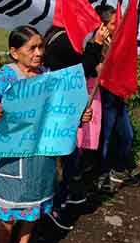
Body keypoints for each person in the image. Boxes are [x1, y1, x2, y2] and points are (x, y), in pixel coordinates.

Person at [0, 26, 91, 243]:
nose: (39, 53)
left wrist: (79, 114)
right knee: (8, 211)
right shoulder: (4, 76)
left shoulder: (48, 76)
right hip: (12, 157)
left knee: (34, 206)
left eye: (41, 46)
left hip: (41, 157)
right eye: (32, 48)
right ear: (14, 52)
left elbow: (62, 110)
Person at [43, 18, 109, 230]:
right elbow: (83, 67)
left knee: (70, 156)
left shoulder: (62, 37)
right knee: (58, 162)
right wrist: (96, 44)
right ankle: (52, 207)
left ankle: (67, 195)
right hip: (57, 113)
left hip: (66, 111)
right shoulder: (63, 40)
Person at [93, 5, 139, 192]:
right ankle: (101, 175)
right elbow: (96, 70)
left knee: (127, 136)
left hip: (119, 98)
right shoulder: (96, 44)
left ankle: (118, 170)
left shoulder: (117, 42)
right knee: (105, 137)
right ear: (102, 25)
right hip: (104, 98)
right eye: (113, 23)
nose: (116, 26)